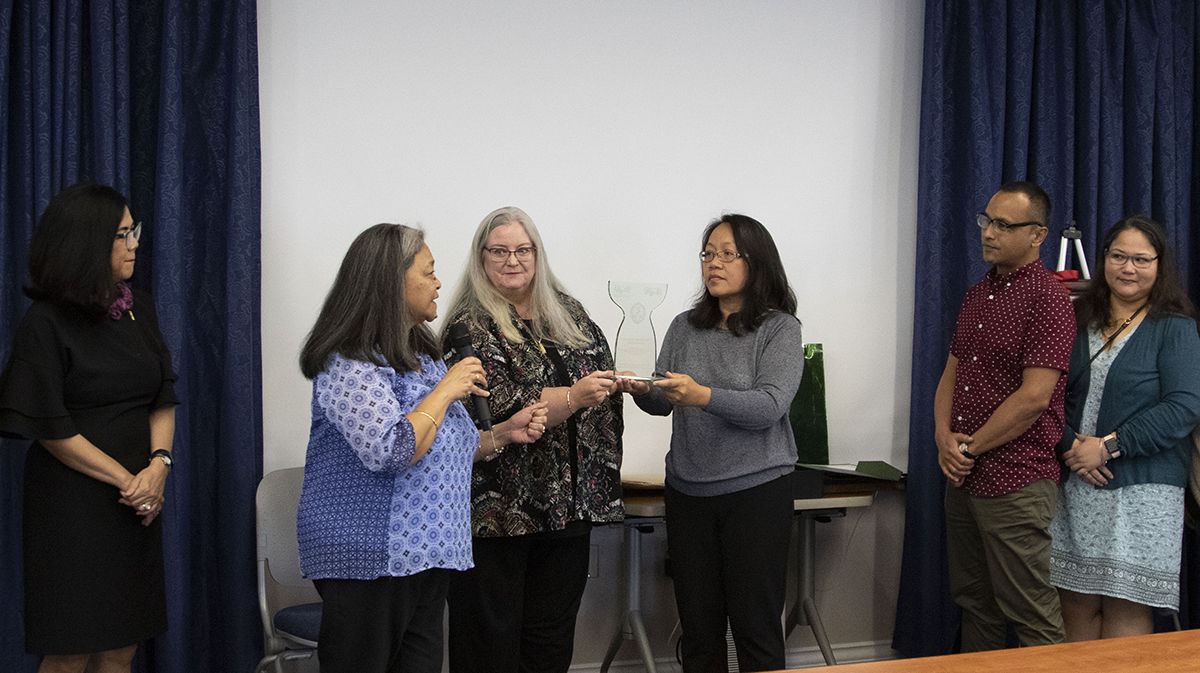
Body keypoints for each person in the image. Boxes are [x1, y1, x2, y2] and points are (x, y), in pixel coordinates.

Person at [295, 223, 548, 673]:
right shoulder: (349, 359)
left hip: (426, 558)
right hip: (369, 560)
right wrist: (447, 389)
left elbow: (441, 449)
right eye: (428, 272)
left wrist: (506, 431)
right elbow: (392, 449)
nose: (438, 283)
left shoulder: (421, 355)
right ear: (392, 282)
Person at [0, 184, 177, 673]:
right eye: (122, 234)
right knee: (71, 649)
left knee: (123, 646)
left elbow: (163, 395)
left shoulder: (138, 307)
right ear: (86, 242)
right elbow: (49, 426)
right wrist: (129, 482)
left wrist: (158, 468)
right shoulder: (45, 323)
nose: (135, 243)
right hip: (73, 507)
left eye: (133, 231)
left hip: (138, 504)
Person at [440, 206, 623, 673]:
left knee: (551, 642)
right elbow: (498, 402)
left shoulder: (568, 313)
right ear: (481, 258)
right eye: (499, 251)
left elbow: (601, 372)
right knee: (490, 646)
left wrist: (621, 383)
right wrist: (575, 396)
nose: (512, 260)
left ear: (537, 255)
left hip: (567, 512)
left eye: (523, 249)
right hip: (498, 516)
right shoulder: (470, 325)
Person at [619, 213, 803, 672]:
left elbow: (769, 406)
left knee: (755, 629)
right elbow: (663, 403)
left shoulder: (780, 328)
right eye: (707, 254)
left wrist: (701, 395)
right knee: (699, 632)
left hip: (756, 493)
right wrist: (644, 389)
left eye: (726, 254)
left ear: (756, 262)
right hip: (689, 492)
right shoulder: (684, 326)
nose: (713, 264)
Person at [934, 181, 1076, 651]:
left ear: (1037, 235)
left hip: (1015, 481)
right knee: (975, 605)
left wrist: (969, 447)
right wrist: (943, 440)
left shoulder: (1049, 300)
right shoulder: (977, 294)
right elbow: (950, 376)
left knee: (1031, 613)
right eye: (986, 221)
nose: (989, 233)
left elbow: (1034, 398)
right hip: (964, 478)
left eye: (1003, 224)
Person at [1049, 215, 1200, 640]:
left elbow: (1184, 406)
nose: (1128, 268)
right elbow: (1047, 393)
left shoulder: (1175, 326)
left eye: (1140, 259)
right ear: (1104, 260)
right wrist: (1072, 448)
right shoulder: (1077, 316)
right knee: (1074, 602)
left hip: (1144, 490)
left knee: (1125, 606)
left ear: (1160, 265)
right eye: (1118, 256)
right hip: (1075, 480)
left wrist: (1109, 446)